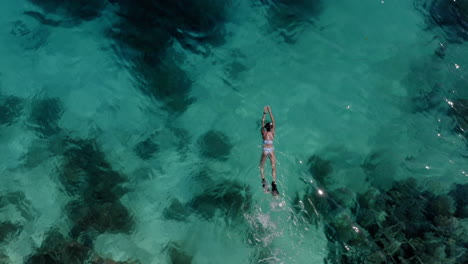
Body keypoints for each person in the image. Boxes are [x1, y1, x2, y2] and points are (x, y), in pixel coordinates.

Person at [260, 105, 279, 196]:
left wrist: (264, 113)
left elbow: (262, 122)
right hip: (271, 149)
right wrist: (270, 112)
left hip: (265, 149)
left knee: (261, 166)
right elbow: (274, 121)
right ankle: (274, 184)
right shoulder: (273, 132)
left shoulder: (263, 132)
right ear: (271, 128)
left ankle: (264, 181)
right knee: (273, 167)